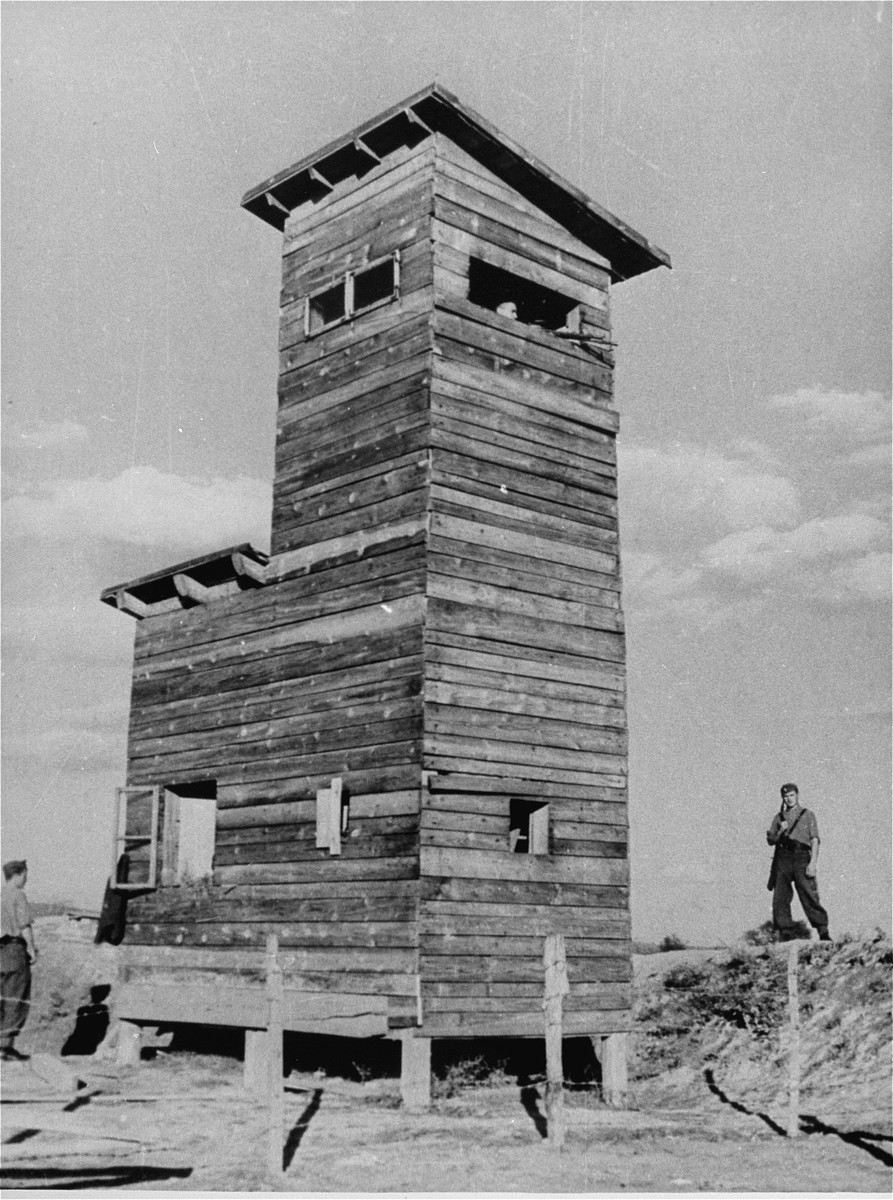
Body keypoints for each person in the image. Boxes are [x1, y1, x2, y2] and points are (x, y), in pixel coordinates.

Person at [766, 784, 830, 942]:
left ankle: (823, 931)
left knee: (809, 893)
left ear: (797, 795)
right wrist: (780, 831)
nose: (789, 799)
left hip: (802, 857)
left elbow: (814, 840)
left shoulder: (808, 815)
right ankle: (785, 932)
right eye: (786, 796)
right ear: (782, 798)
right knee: (781, 896)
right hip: (783, 858)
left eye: (792, 795)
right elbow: (771, 840)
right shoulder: (779, 817)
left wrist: (812, 863)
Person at [1, 859, 38, 1061]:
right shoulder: (18, 895)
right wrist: (31, 948)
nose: (26, 879)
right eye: (25, 875)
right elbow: (24, 925)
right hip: (13, 951)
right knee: (15, 998)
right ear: (17, 875)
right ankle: (4, 1047)